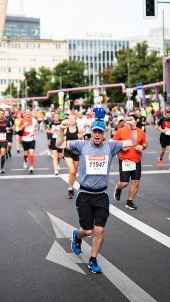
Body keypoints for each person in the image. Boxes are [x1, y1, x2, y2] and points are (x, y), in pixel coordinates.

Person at [55, 107, 138, 274]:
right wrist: (62, 129)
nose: (97, 135)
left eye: (100, 132)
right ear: (91, 132)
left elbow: (133, 142)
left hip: (101, 195)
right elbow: (60, 144)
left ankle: (92, 259)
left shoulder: (111, 146)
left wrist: (134, 128)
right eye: (95, 132)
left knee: (99, 230)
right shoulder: (82, 145)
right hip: (85, 194)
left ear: (105, 133)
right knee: (87, 230)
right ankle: (76, 236)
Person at [112, 115, 147, 210]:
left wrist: (142, 147)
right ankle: (118, 188)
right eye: (128, 120)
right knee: (124, 183)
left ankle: (129, 201)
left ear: (136, 121)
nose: (128, 121)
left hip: (136, 160)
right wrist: (121, 147)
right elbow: (113, 144)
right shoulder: (121, 131)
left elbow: (144, 143)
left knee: (136, 182)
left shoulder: (140, 131)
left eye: (131, 120)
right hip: (125, 160)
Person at [63, 113, 83, 198]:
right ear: (68, 120)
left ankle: (71, 187)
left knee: (74, 172)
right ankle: (70, 189)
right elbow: (62, 139)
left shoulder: (79, 129)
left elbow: (82, 141)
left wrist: (81, 136)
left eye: (73, 119)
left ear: (75, 120)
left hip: (77, 152)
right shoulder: (65, 129)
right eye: (70, 119)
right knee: (71, 170)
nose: (71, 120)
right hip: (68, 151)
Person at [18, 109, 38, 173]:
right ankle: (25, 161)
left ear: (31, 113)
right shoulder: (22, 120)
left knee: (31, 153)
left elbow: (36, 127)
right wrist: (23, 125)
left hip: (32, 138)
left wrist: (35, 129)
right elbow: (19, 129)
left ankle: (31, 167)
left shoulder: (34, 120)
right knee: (26, 154)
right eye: (27, 112)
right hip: (24, 139)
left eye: (29, 112)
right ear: (25, 113)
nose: (28, 113)